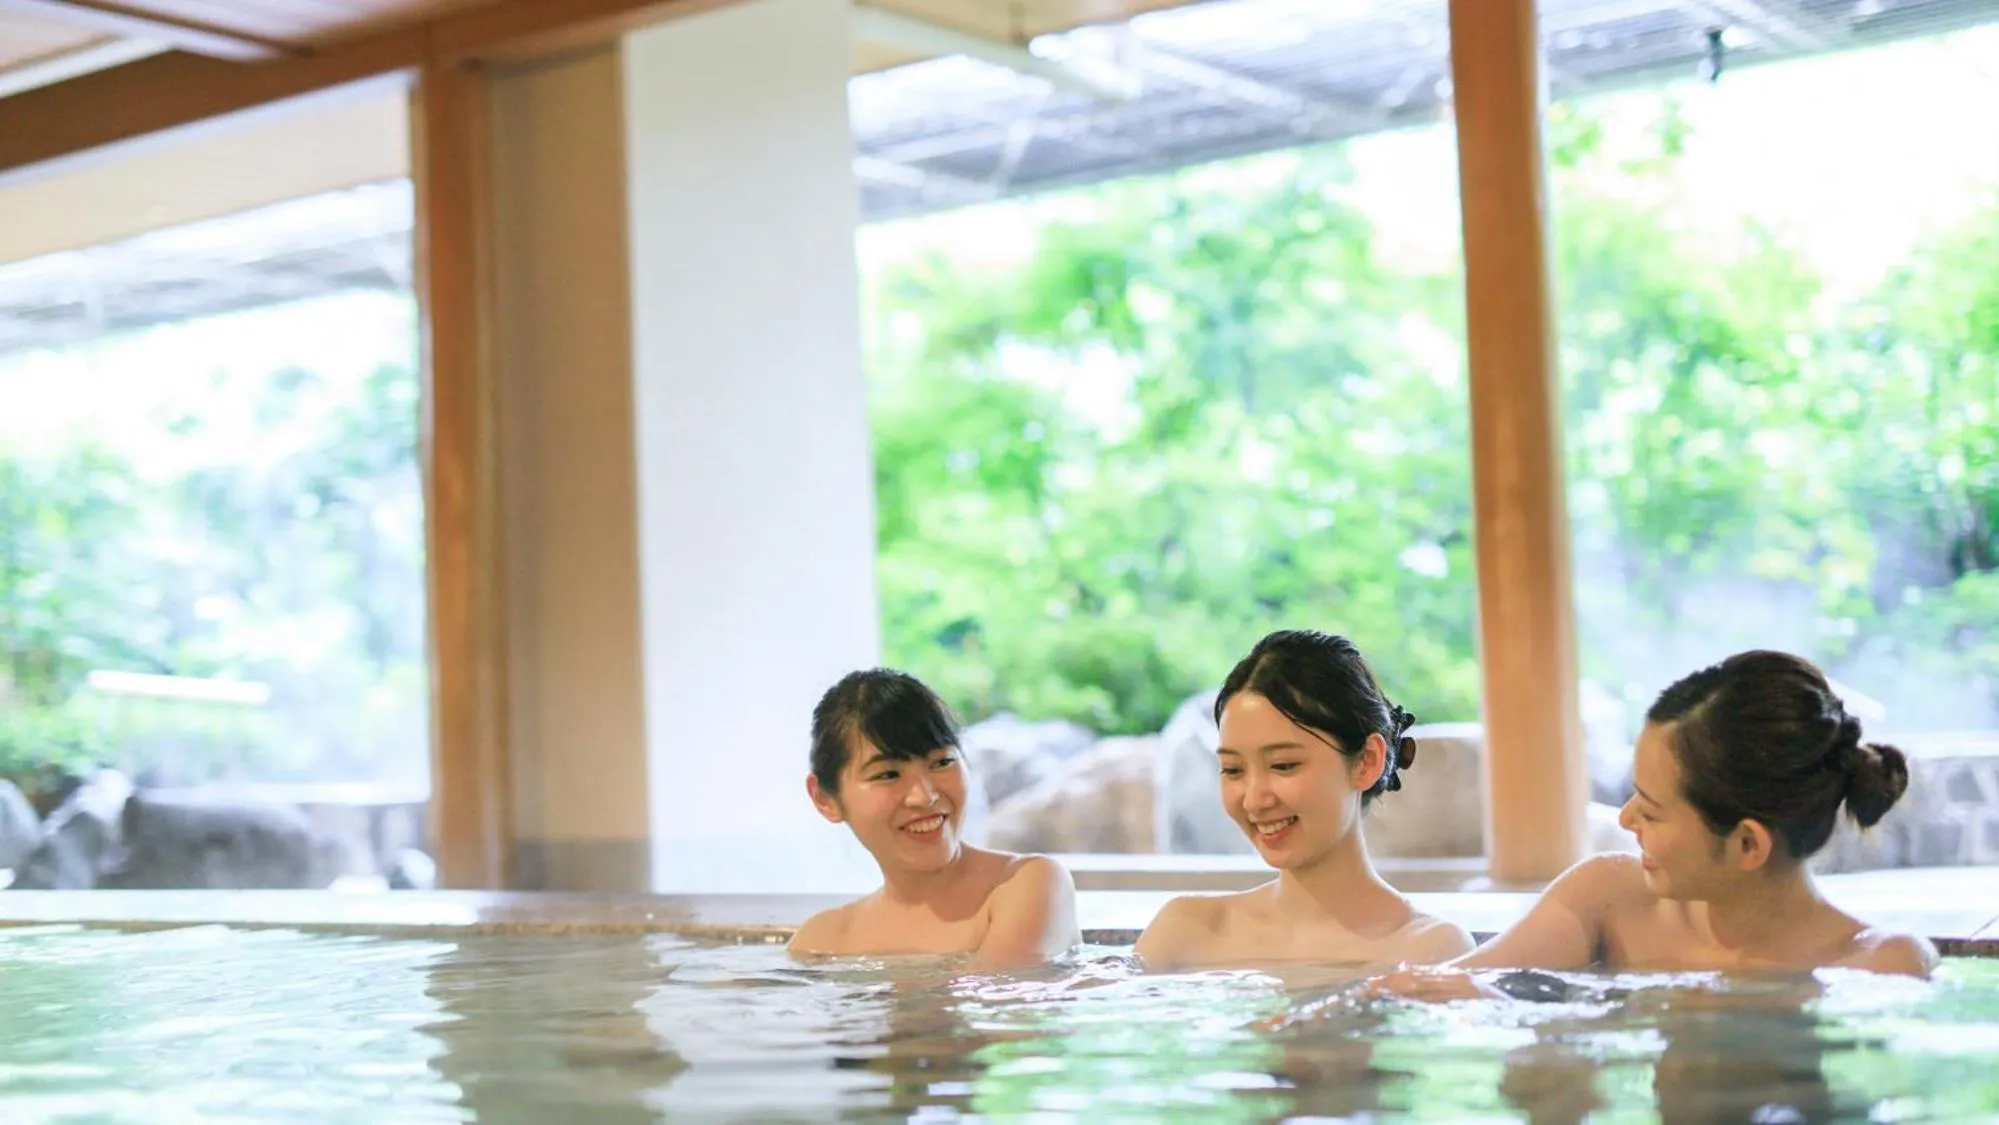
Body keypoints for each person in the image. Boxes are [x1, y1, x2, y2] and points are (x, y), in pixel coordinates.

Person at [1385, 650, 1935, 996]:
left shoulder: (1880, 966)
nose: (1625, 819)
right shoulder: (1611, 899)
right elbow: (1440, 988)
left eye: (1649, 809)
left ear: (1747, 844)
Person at [1135, 630, 1474, 968]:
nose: (1255, 799)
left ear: (1367, 761)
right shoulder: (1184, 932)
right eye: (1233, 769)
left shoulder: (1428, 950)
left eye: (1283, 765)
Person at [788, 668, 1080, 966]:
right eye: (888, 774)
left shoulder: (1027, 885)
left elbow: (996, 1002)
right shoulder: (823, 939)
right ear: (825, 799)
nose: (924, 796)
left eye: (942, 762)